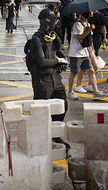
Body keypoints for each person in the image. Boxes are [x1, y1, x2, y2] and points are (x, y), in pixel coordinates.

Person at [29, 9, 70, 149]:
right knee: (41, 112)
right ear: (41, 21)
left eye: (55, 20)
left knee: (62, 105)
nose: (53, 23)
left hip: (56, 78)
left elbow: (59, 52)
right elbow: (42, 62)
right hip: (42, 80)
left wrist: (63, 60)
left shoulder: (53, 37)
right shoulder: (36, 39)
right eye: (50, 20)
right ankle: (39, 139)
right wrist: (58, 61)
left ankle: (55, 134)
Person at [66, 12, 108, 100]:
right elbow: (79, 37)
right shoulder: (77, 24)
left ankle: (96, 92)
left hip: (85, 52)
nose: (91, 14)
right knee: (74, 73)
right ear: (81, 13)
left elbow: (89, 39)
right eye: (89, 13)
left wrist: (91, 50)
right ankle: (70, 91)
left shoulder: (88, 24)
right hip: (76, 53)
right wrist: (89, 30)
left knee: (91, 71)